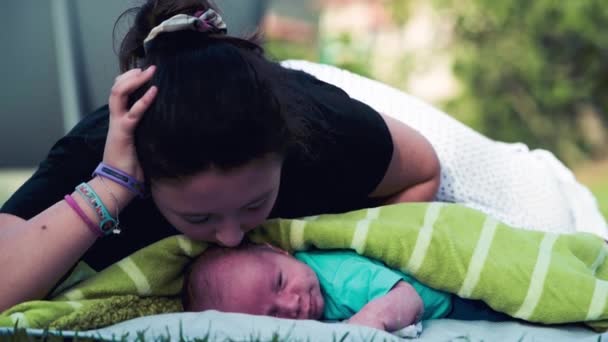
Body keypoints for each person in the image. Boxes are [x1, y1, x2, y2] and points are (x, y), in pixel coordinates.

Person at [0, 0, 441, 311]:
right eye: (198, 218)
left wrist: (333, 261)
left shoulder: (319, 129)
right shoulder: (101, 150)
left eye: (254, 204)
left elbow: (423, 168)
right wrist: (111, 185)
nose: (230, 237)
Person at [182, 244, 510, 332]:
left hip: (454, 296)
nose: (292, 304)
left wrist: (369, 323)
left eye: (280, 282)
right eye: (274, 316)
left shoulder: (337, 275)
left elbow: (406, 297)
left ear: (278, 250)